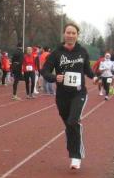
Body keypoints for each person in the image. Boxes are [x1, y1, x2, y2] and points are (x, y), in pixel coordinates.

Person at [41, 21, 95, 170]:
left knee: (73, 121)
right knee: (69, 125)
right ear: (64, 34)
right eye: (68, 32)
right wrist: (54, 77)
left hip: (79, 93)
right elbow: (44, 71)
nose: (71, 35)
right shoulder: (56, 53)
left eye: (73, 33)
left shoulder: (82, 52)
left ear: (77, 35)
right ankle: (73, 148)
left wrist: (95, 77)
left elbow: (87, 70)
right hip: (62, 95)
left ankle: (76, 156)